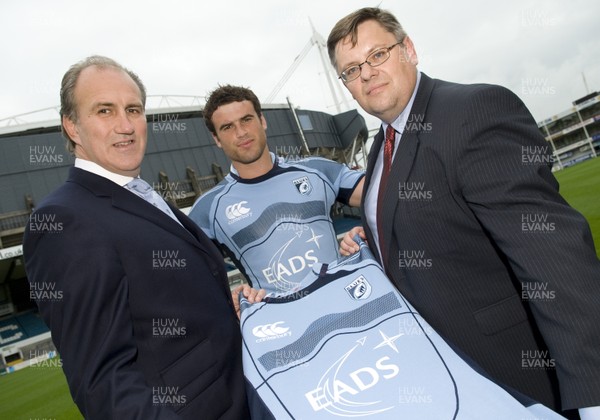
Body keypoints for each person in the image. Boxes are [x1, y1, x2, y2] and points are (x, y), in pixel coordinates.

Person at [329, 7, 600, 420]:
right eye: (350, 70)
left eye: (378, 55)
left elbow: (555, 261)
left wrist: (593, 393)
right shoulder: (380, 147)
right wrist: (375, 240)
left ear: (409, 50)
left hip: (518, 380)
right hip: (450, 382)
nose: (365, 74)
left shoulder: (472, 112)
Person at [23, 56, 249, 419]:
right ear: (73, 126)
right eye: (104, 111)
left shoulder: (140, 193)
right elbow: (103, 383)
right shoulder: (64, 220)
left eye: (133, 109)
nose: (125, 125)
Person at [188, 85, 364, 296]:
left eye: (246, 119)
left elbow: (386, 196)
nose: (241, 132)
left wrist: (367, 233)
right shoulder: (208, 209)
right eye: (227, 127)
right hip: (282, 324)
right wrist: (230, 299)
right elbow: (190, 282)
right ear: (216, 139)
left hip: (346, 301)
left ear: (262, 121)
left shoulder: (318, 170)